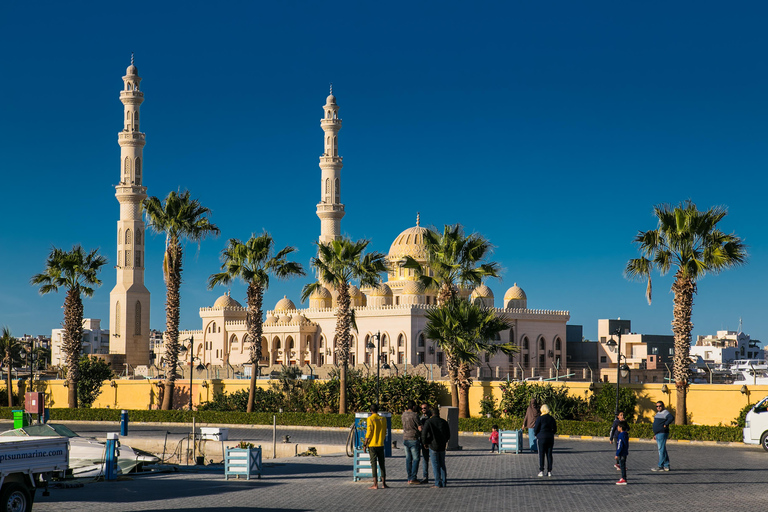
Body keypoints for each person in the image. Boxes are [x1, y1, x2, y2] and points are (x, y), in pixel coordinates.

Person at [422, 406, 450, 488]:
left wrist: (425, 443)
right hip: (442, 446)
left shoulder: (429, 422)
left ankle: (437, 482)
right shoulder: (444, 422)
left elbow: (424, 433)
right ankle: (444, 482)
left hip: (433, 445)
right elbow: (448, 434)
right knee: (442, 464)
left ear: (432, 413)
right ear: (439, 413)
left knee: (435, 465)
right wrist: (445, 441)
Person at [363, 403, 389, 489]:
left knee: (373, 464)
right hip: (380, 444)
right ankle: (384, 484)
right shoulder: (383, 419)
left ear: (371, 410)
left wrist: (365, 444)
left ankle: (375, 484)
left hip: (372, 445)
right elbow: (385, 431)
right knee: (382, 463)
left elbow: (369, 432)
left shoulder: (370, 419)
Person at [533, 403, 557, 477]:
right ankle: (549, 471)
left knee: (541, 454)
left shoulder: (540, 418)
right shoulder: (551, 418)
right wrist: (551, 433)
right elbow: (555, 429)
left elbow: (536, 428)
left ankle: (541, 470)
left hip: (541, 438)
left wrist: (537, 434)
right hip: (550, 438)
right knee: (549, 454)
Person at [401, 400, 422, 484]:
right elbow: (419, 427)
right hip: (413, 438)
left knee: (408, 459)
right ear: (413, 407)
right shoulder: (415, 415)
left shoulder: (403, 415)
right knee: (416, 459)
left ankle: (409, 477)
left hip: (405, 438)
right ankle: (413, 477)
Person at [651, 400, 673, 472]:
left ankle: (660, 466)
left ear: (663, 406)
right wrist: (655, 434)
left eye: (660, 406)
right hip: (658, 434)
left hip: (662, 433)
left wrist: (666, 424)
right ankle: (666, 465)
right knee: (663, 449)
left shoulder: (665, 412)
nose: (658, 407)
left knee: (661, 450)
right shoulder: (658, 413)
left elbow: (671, 417)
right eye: (657, 406)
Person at [418, 403, 431, 483]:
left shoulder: (430, 417)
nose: (423, 409)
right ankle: (425, 476)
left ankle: (439, 477)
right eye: (422, 408)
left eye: (425, 408)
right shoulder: (421, 417)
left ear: (428, 408)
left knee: (434, 460)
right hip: (424, 441)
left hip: (431, 441)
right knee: (425, 459)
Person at [615, 421, 629, 485]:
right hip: (625, 452)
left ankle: (624, 478)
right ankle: (623, 477)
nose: (617, 427)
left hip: (621, 453)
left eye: (618, 426)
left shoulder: (621, 435)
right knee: (623, 465)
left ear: (621, 427)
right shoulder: (626, 434)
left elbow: (619, 445)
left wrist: (617, 454)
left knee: (622, 466)